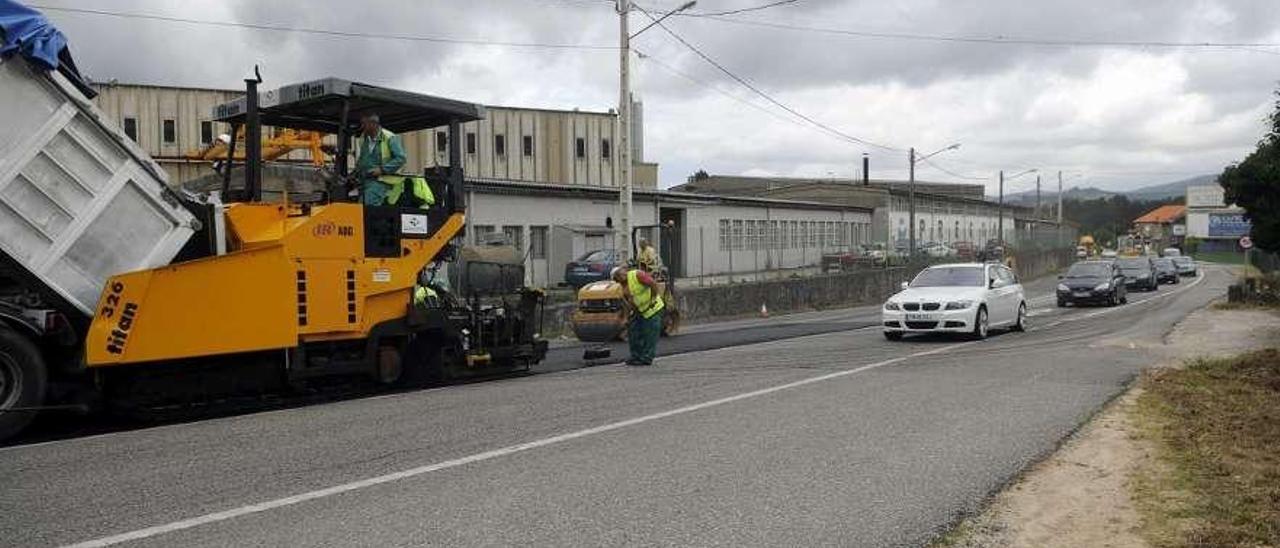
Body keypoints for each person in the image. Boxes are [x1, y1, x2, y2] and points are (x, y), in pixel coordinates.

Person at [354, 113, 434, 208]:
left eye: (364, 124)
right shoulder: (364, 139)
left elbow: (401, 158)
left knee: (367, 204)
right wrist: (354, 173)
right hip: (366, 180)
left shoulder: (389, 137)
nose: (362, 126)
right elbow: (363, 159)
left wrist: (382, 170)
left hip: (383, 180)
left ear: (373, 124)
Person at [612, 266, 664, 366]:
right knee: (633, 332)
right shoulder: (623, 287)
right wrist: (626, 318)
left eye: (620, 274)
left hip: (653, 308)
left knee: (649, 334)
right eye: (617, 277)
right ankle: (636, 356)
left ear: (623, 271)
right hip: (639, 311)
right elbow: (627, 304)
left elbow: (653, 284)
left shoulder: (637, 275)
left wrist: (653, 299)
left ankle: (646, 358)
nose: (620, 277)